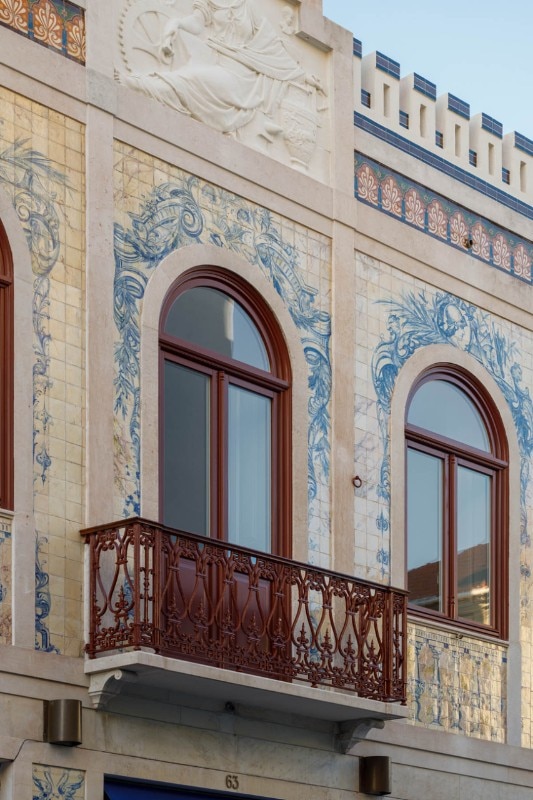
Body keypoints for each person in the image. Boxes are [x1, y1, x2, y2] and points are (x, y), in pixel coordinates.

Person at [121, 0, 312, 137]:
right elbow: (197, 24)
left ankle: (140, 85)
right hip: (218, 64)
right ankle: (142, 86)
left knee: (190, 79)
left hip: (242, 78)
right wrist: (176, 23)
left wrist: (302, 76)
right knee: (190, 78)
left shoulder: (248, 6)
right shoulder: (211, 2)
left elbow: (272, 46)